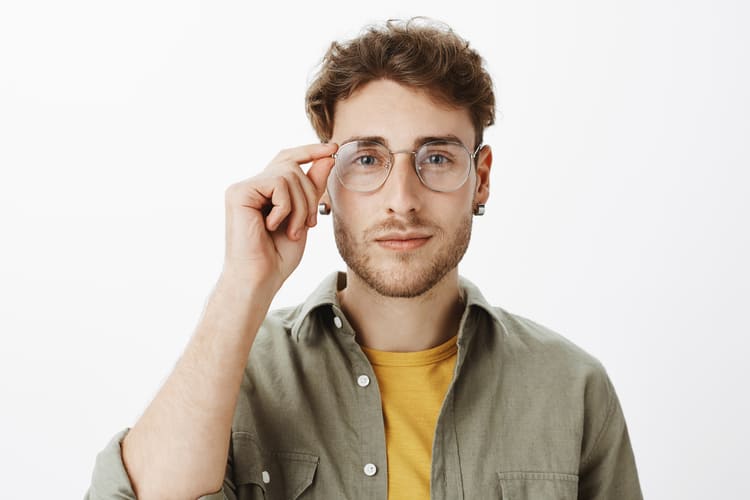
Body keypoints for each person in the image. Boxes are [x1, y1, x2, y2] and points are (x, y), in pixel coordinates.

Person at [85, 18, 643, 500]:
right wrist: (242, 283)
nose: (402, 198)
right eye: (368, 158)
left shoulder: (572, 389)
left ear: (482, 178)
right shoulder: (238, 376)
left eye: (439, 157)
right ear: (324, 181)